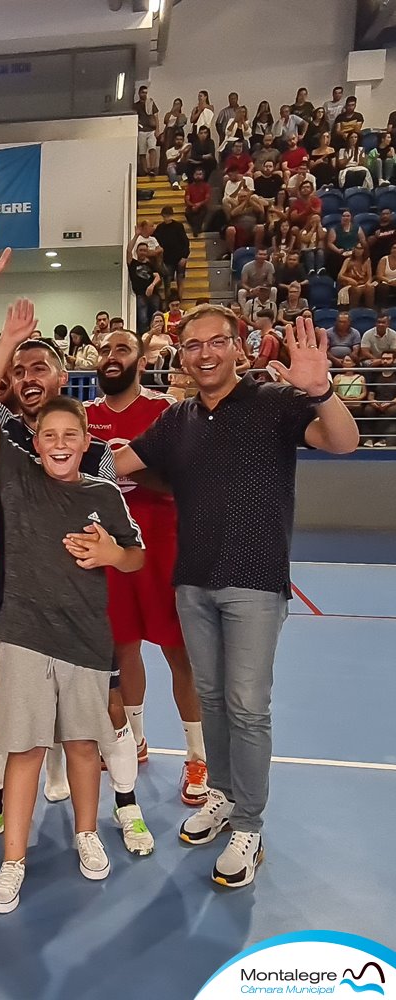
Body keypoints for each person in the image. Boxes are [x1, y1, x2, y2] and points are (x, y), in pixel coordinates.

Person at [112, 307, 358, 888]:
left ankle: (249, 825)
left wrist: (321, 390)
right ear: (181, 354)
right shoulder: (178, 421)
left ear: (236, 347)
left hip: (253, 580)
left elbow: (343, 441)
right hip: (192, 579)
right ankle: (221, 796)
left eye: (216, 341)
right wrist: (55, 451)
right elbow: (118, 462)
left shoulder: (275, 402)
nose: (204, 353)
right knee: (216, 700)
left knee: (248, 707)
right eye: (192, 345)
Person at [0, 298, 145, 913]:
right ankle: (13, 860)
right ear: (34, 441)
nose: (60, 443)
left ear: (86, 441)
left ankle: (87, 835)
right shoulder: (15, 477)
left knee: (84, 748)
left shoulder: (105, 494)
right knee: (24, 751)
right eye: (49, 435)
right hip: (22, 635)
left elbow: (137, 556)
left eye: (72, 435)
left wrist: (110, 556)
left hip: (86, 639)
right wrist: (6, 342)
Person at [85, 329, 208, 807]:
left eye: (121, 349)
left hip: (163, 548)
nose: (111, 358)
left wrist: (125, 466)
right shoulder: (85, 416)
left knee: (180, 654)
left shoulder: (166, 413)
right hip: (109, 549)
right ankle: (134, 739)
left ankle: (197, 755)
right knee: (121, 648)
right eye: (105, 351)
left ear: (141, 358)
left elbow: (183, 482)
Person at [154, 206, 190, 302]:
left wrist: (184, 257)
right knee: (167, 280)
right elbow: (155, 241)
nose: (167, 218)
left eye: (168, 215)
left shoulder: (178, 226)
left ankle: (180, 299)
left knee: (180, 278)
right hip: (167, 259)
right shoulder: (160, 228)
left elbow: (185, 243)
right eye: (165, 216)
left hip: (179, 257)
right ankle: (168, 300)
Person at [128, 243, 163, 335]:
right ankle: (144, 338)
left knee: (156, 317)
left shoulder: (150, 265)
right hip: (140, 295)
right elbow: (128, 251)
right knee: (143, 319)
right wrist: (137, 235)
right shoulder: (133, 263)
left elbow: (158, 277)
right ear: (137, 251)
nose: (143, 252)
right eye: (141, 250)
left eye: (145, 250)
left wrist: (152, 286)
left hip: (153, 294)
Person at [365, 350, 396, 447]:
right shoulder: (375, 374)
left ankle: (383, 438)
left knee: (391, 411)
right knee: (368, 410)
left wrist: (390, 403)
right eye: (383, 359)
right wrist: (372, 401)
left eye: (388, 359)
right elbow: (371, 393)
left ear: (394, 360)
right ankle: (369, 438)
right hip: (378, 402)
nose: (385, 361)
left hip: (393, 402)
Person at [134, 84, 160, 176]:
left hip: (151, 130)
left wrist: (157, 129)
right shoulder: (136, 106)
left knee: (152, 148)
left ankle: (152, 168)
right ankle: (145, 171)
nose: (144, 94)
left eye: (146, 93)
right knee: (142, 152)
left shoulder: (150, 103)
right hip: (141, 130)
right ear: (139, 93)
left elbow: (156, 116)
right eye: (142, 92)